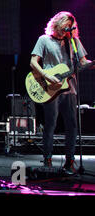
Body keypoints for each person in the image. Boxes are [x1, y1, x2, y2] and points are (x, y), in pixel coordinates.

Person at [30, 11, 91, 174]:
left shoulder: (74, 42)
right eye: (64, 26)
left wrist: (90, 64)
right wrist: (46, 75)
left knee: (72, 125)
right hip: (50, 89)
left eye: (69, 28)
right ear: (57, 24)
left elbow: (83, 62)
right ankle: (47, 160)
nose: (66, 30)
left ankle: (70, 160)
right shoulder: (44, 40)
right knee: (51, 124)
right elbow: (33, 62)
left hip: (70, 89)